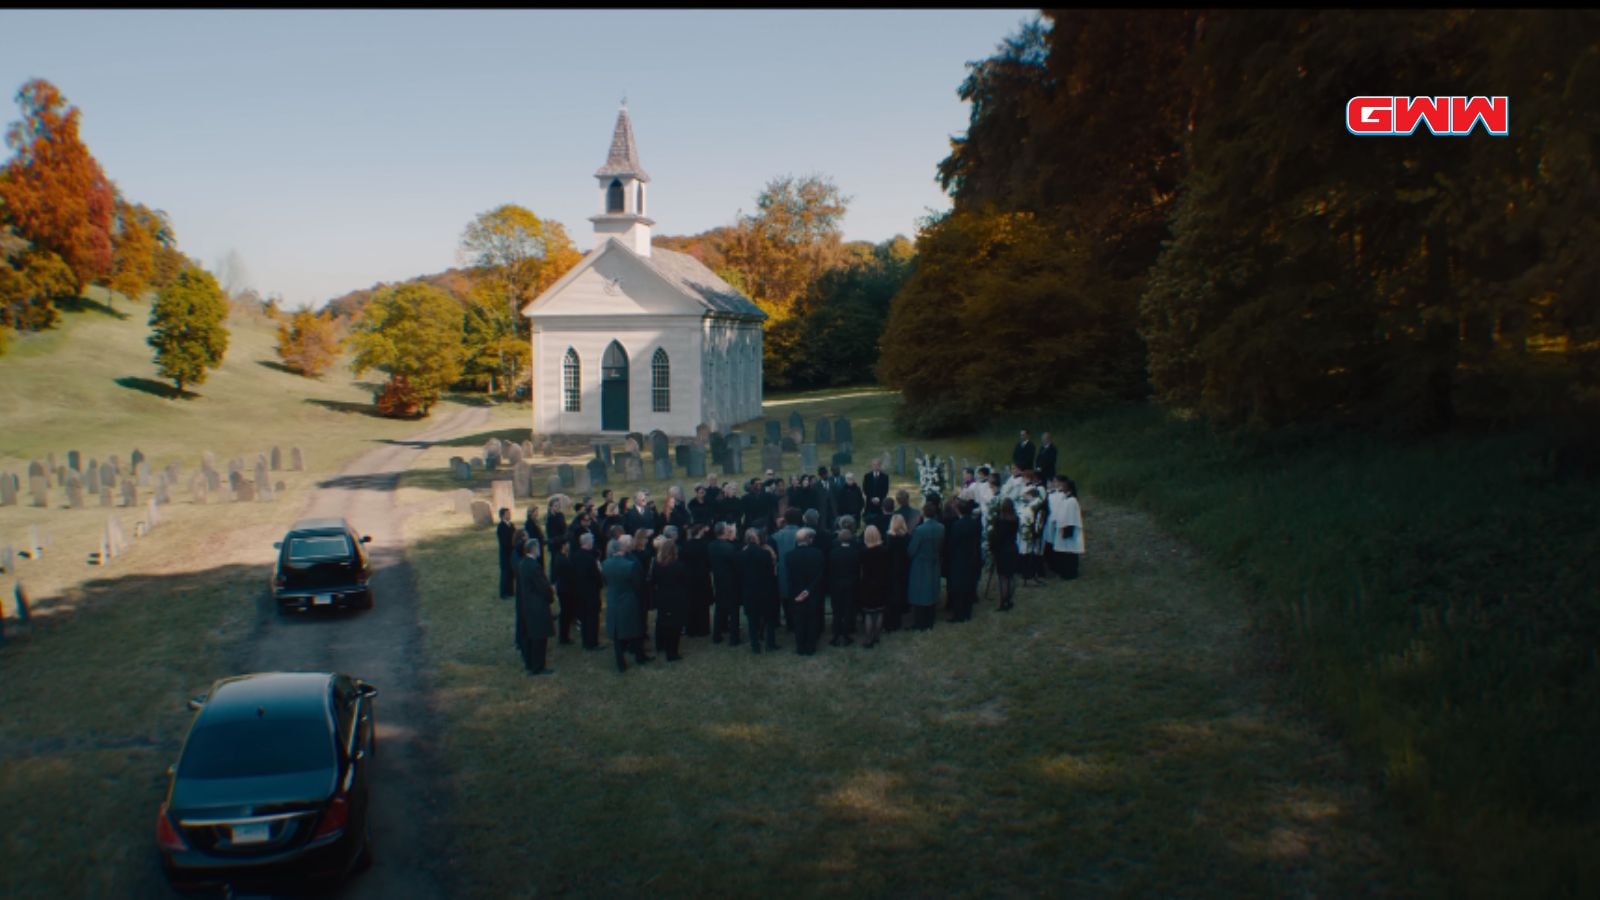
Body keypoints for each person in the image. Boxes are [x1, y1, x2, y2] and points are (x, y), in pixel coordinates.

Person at [602, 536, 652, 671]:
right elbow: (638, 585)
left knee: (617, 634)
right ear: (622, 550)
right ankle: (639, 656)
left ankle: (620, 663)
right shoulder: (630, 565)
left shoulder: (605, 564)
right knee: (635, 629)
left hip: (613, 600)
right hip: (629, 600)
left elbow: (606, 582)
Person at [737, 527, 781, 653]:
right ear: (757, 538)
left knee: (752, 620)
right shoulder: (765, 553)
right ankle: (770, 644)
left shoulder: (741, 554)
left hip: (749, 590)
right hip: (765, 590)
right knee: (769, 619)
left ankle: (755, 646)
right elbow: (772, 572)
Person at [514, 538, 555, 675]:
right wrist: (550, 595)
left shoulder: (522, 563)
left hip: (527, 604)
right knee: (540, 637)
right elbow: (543, 587)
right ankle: (539, 666)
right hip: (538, 605)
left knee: (531, 636)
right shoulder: (534, 567)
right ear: (534, 549)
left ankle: (531, 663)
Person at [785, 527, 827, 655]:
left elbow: (790, 577)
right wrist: (809, 590)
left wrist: (800, 591)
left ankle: (800, 647)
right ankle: (810, 647)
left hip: (796, 593)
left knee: (799, 621)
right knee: (812, 620)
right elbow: (820, 575)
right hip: (813, 592)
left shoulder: (789, 556)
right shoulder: (818, 554)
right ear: (809, 539)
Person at [906, 501, 945, 631]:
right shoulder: (941, 527)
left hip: (920, 564)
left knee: (920, 592)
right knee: (932, 589)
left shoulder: (919, 530)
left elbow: (911, 549)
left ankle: (920, 622)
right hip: (934, 561)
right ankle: (930, 619)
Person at [651, 538, 690, 661]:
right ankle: (672, 652)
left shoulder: (656, 564)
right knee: (675, 625)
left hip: (662, 597)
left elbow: (653, 580)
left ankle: (661, 645)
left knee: (663, 622)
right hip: (676, 598)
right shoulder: (678, 565)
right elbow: (685, 581)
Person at [946, 499, 983, 623]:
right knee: (968, 585)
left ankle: (959, 614)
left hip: (960, 558)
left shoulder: (957, 525)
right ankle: (967, 612)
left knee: (958, 587)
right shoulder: (975, 523)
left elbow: (952, 543)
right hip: (972, 556)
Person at [709, 521, 743, 646]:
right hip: (731, 581)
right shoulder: (729, 547)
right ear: (724, 532)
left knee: (720, 608)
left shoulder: (711, 545)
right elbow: (737, 561)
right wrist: (733, 537)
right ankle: (734, 638)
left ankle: (717, 635)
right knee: (734, 610)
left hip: (718, 579)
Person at [827, 526, 861, 646]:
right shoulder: (856, 553)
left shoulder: (833, 553)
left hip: (836, 585)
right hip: (851, 585)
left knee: (837, 611)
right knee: (848, 610)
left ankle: (836, 635)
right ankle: (846, 635)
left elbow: (830, 570)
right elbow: (857, 571)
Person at [858, 525, 890, 648]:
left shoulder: (863, 552)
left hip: (867, 584)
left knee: (869, 613)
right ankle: (876, 636)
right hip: (881, 583)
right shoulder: (885, 551)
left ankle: (868, 638)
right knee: (879, 611)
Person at [770, 508, 802, 631]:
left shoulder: (775, 536)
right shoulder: (803, 534)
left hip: (781, 571)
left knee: (785, 599)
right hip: (798, 572)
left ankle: (789, 623)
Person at [1048, 476, 1084, 579]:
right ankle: (1064, 572)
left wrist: (1066, 528)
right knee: (1064, 552)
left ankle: (1071, 573)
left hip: (1068, 528)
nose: (1061, 487)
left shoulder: (1072, 501)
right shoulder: (1065, 499)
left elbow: (1071, 516)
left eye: (1063, 486)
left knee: (1070, 553)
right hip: (1062, 527)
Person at [682, 522, 713, 637]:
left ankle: (691, 628)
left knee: (691, 602)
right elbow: (709, 562)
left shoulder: (686, 545)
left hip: (689, 577)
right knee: (703, 603)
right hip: (702, 576)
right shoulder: (705, 545)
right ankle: (703, 628)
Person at [989, 498, 1020, 611]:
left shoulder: (1000, 521)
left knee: (1003, 577)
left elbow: (998, 537)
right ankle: (1009, 599)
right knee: (1011, 575)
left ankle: (1004, 601)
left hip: (1003, 551)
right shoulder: (1015, 519)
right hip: (1013, 548)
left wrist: (993, 548)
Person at [885, 514, 911, 632]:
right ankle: (901, 614)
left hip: (891, 569)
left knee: (892, 594)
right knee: (901, 591)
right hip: (903, 568)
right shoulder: (907, 537)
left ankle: (892, 620)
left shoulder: (890, 537)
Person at [549, 534, 575, 645]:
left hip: (563, 588)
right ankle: (564, 637)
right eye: (567, 544)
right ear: (563, 546)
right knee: (566, 613)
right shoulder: (562, 560)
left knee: (566, 613)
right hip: (565, 589)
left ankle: (564, 636)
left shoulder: (560, 557)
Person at [496, 508, 518, 598]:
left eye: (509, 513)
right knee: (505, 573)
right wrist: (512, 545)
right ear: (503, 516)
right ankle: (504, 593)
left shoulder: (511, 525)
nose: (509, 515)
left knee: (511, 572)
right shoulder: (501, 526)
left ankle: (511, 591)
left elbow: (515, 535)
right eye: (507, 514)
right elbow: (504, 541)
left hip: (512, 552)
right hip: (505, 553)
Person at [522, 504, 547, 572]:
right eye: (535, 511)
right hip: (534, 546)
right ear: (531, 513)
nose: (537, 513)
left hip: (539, 545)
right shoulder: (529, 523)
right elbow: (532, 535)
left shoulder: (535, 521)